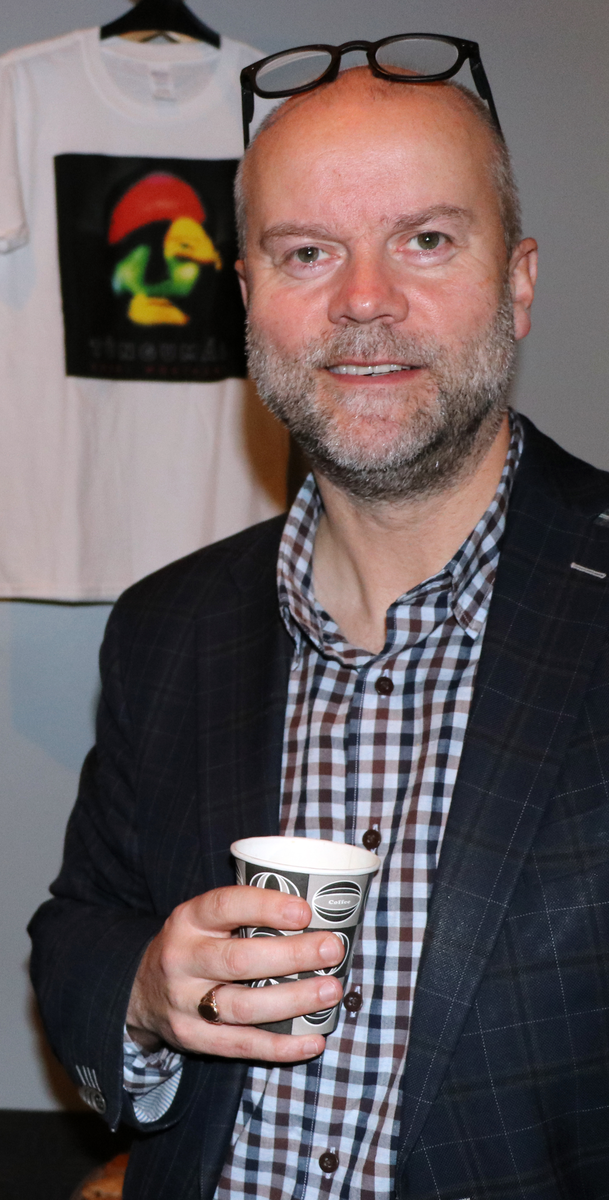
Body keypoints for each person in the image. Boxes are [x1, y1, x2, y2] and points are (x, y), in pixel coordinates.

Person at [30, 40, 609, 1200]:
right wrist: (144, 991)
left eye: (426, 240)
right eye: (307, 252)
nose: (364, 301)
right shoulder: (164, 627)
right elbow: (84, 921)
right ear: (249, 298)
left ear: (519, 282)